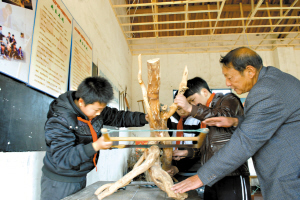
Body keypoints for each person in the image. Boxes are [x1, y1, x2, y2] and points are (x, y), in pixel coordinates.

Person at [172, 47, 300, 200]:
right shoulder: (274, 80)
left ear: (250, 71)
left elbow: (245, 141)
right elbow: (265, 121)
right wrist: (236, 121)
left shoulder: (263, 91)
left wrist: (201, 177)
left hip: (287, 175)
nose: (227, 83)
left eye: (230, 77)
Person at [40, 76, 149, 200]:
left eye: (101, 110)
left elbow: (118, 117)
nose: (99, 114)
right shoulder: (60, 119)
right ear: (81, 102)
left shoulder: (93, 107)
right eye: (96, 110)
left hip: (79, 176)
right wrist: (95, 146)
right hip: (59, 182)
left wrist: (144, 118)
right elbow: (63, 158)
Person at [173, 77, 251, 200]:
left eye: (192, 100)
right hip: (210, 174)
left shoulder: (228, 99)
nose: (193, 105)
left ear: (204, 92)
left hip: (232, 174)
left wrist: (190, 108)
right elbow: (208, 146)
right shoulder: (203, 114)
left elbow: (222, 117)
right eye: (190, 103)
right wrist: (187, 152)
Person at [166, 91, 201, 181]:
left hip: (194, 170)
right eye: (178, 108)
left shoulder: (197, 120)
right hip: (173, 168)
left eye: (184, 108)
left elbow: (199, 149)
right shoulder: (170, 119)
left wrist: (178, 168)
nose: (182, 112)